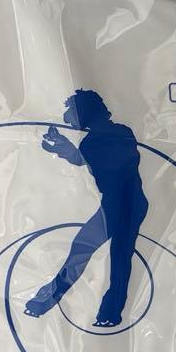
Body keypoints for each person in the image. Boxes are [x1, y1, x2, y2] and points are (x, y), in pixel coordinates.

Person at [24, 89, 149, 326]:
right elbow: (87, 160)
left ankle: (55, 301)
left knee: (96, 253)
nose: (68, 118)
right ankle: (108, 313)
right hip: (122, 202)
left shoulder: (113, 135)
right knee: (112, 256)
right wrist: (64, 148)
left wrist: (66, 149)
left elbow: (100, 162)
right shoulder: (99, 138)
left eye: (71, 112)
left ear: (85, 112)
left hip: (122, 203)